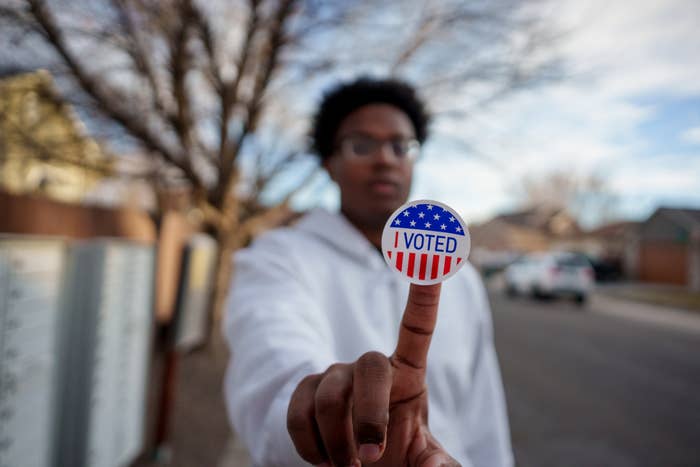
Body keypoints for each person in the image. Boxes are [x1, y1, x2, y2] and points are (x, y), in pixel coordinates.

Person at [223, 77, 513, 467]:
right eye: (362, 144)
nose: (386, 159)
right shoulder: (278, 258)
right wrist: (325, 409)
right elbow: (271, 364)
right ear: (329, 164)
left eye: (401, 146)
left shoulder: (460, 279)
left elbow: (483, 417)